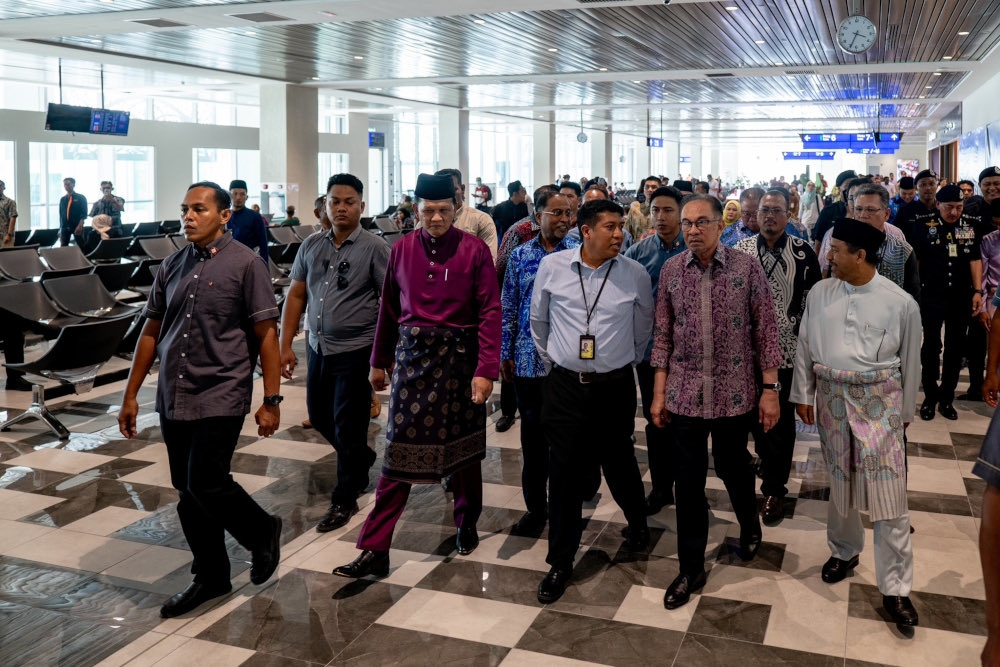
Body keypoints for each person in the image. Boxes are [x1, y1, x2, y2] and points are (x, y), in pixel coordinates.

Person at [117, 181, 283, 618]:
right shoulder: (172, 265)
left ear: (225, 215)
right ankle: (211, 575)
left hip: (222, 390)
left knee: (206, 481)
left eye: (199, 209)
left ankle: (262, 530)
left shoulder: (247, 264)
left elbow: (267, 334)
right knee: (187, 491)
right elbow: (151, 331)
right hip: (175, 392)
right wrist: (130, 395)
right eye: (184, 209)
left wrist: (271, 399)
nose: (188, 217)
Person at [332, 173, 500, 578]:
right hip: (413, 362)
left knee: (463, 452)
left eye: (443, 210)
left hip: (461, 361)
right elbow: (389, 308)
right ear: (416, 210)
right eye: (428, 211)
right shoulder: (402, 249)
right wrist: (378, 361)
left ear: (455, 208)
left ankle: (466, 522)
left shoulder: (475, 250)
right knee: (397, 454)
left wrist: (485, 370)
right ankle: (375, 547)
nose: (436, 218)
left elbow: (490, 312)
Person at [650, 194, 781, 610]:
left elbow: (766, 329)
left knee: (733, 468)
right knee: (687, 482)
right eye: (687, 223)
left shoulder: (745, 267)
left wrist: (770, 389)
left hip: (734, 393)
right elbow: (662, 335)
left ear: (719, 226)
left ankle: (749, 523)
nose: (693, 230)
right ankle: (690, 568)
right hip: (685, 393)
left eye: (701, 222)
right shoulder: (672, 270)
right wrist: (658, 393)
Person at [792, 218, 921, 629]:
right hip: (831, 398)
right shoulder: (821, 292)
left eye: (836, 250)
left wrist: (904, 415)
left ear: (860, 255)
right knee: (840, 479)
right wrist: (802, 393)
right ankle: (844, 550)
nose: (828, 256)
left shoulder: (900, 302)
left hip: (879, 403)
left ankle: (896, 588)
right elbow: (805, 344)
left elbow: (912, 364)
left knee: (889, 493)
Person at [529, 198, 653, 604]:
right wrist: (558, 361)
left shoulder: (634, 274)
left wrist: (617, 361)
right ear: (586, 231)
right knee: (563, 472)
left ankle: (638, 522)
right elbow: (539, 321)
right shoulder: (553, 268)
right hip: (565, 386)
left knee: (618, 460)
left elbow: (642, 329)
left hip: (614, 386)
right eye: (610, 227)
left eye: (621, 226)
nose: (619, 234)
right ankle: (560, 561)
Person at [279, 173, 390, 533]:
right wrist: (285, 344)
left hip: (357, 350)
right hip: (318, 348)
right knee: (320, 416)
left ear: (361, 206)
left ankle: (345, 496)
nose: (341, 208)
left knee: (348, 423)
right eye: (334, 201)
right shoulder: (311, 245)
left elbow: (391, 302)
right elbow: (297, 294)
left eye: (349, 202)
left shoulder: (375, 248)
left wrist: (383, 356)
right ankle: (361, 456)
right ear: (324, 205)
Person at [733, 188, 819, 525]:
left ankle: (774, 489)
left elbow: (812, 306)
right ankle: (760, 465)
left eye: (776, 210)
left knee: (779, 425)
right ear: (756, 215)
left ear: (789, 214)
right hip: (744, 355)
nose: (769, 216)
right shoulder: (740, 251)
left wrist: (810, 358)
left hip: (786, 355)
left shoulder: (803, 252)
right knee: (748, 421)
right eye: (764, 210)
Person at [501, 190, 579, 536]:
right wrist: (504, 353)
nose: (564, 219)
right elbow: (508, 304)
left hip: (566, 362)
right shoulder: (520, 255)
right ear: (538, 216)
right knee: (532, 441)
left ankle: (566, 504)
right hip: (528, 361)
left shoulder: (578, 253)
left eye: (568, 213)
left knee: (566, 440)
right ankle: (535, 508)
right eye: (557, 213)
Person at [624, 185, 687, 515]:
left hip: (689, 354)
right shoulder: (638, 253)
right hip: (651, 352)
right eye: (655, 211)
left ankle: (689, 489)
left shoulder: (693, 247)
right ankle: (662, 488)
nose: (660, 217)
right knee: (656, 420)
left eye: (668, 210)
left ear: (680, 213)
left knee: (688, 425)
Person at [911, 184, 983, 421]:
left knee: (955, 348)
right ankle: (930, 396)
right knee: (931, 345)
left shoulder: (969, 226)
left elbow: (975, 259)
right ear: (938, 204)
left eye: (959, 207)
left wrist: (977, 291)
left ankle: (947, 398)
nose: (954, 212)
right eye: (949, 207)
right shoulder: (924, 225)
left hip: (960, 297)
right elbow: (916, 261)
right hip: (932, 295)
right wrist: (915, 292)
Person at [962, 168, 1000, 402]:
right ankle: (976, 386)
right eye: (987, 184)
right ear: (980, 186)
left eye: (997, 183)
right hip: (977, 284)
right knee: (976, 341)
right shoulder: (971, 211)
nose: (992, 188)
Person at [425, 168, 497, 261]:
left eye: (453, 189)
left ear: (462, 189)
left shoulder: (481, 221)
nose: (447, 194)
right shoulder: (425, 223)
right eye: (441, 190)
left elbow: (488, 262)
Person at [811, 169, 857, 251]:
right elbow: (818, 242)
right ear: (839, 189)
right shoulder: (828, 211)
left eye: (855, 184)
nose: (852, 188)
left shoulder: (862, 211)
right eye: (848, 185)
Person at [227, 179, 269, 263]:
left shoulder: (255, 217)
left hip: (249, 261)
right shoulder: (224, 217)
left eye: (242, 194)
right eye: (235, 194)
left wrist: (264, 266)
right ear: (230, 196)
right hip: (228, 261)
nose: (238, 197)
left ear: (246, 197)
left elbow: (263, 243)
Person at [58, 177, 88, 247]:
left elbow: (84, 213)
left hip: (76, 225)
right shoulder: (63, 199)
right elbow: (61, 215)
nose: (66, 186)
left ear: (73, 184)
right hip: (65, 226)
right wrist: (60, 229)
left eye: (68, 184)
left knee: (81, 245)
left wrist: (80, 225)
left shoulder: (81, 197)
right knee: (63, 246)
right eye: (65, 185)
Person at [0, 178, 18, 248]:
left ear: (4, 188)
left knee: (6, 254)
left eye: (0, 186)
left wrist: (9, 235)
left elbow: (13, 218)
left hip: (5, 237)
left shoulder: (10, 202)